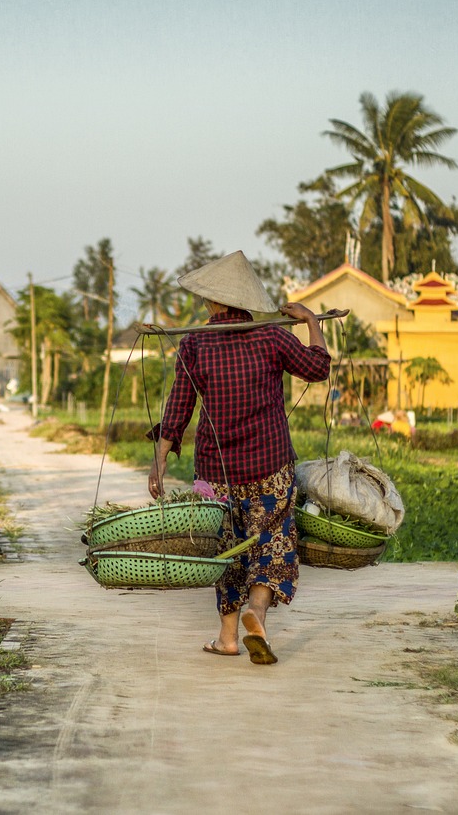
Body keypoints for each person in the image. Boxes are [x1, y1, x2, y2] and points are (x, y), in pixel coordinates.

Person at [147, 251, 331, 664]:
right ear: (245, 299)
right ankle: (258, 614)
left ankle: (228, 637)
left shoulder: (195, 343)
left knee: (226, 549)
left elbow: (178, 408)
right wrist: (312, 322)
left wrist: (159, 460)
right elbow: (318, 368)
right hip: (269, 465)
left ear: (213, 302)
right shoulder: (271, 335)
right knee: (272, 541)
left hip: (215, 473)